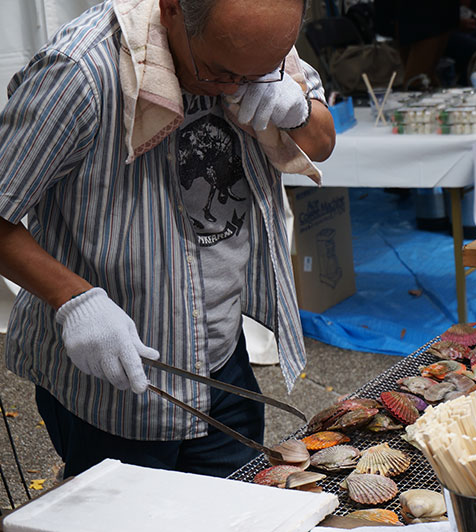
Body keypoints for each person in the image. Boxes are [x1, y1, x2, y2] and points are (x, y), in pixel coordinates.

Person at [0, 0, 335, 479]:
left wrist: (298, 111)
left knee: (236, 512)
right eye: (222, 73)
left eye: (257, 73)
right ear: (173, 9)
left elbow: (321, 142)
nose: (238, 87)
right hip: (117, 377)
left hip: (220, 354)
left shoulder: (261, 45)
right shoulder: (80, 72)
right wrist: (72, 299)